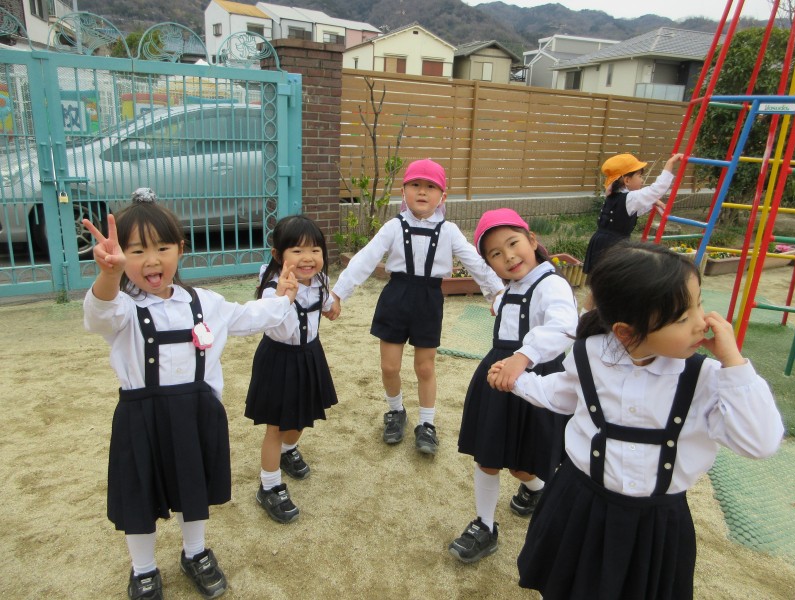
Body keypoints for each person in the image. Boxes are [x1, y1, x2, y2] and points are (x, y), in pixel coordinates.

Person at [491, 241, 784, 599]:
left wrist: (734, 365)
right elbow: (563, 393)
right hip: (580, 504)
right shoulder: (590, 354)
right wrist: (517, 381)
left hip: (655, 522)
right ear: (626, 332)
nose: (702, 323)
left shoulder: (706, 379)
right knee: (568, 588)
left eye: (699, 303)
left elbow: (760, 442)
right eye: (682, 318)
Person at [82, 189, 297, 600]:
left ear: (180, 249)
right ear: (121, 256)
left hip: (196, 414)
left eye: (162, 248)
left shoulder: (205, 303)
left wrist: (283, 296)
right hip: (140, 418)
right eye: (137, 251)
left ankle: (195, 552)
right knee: (139, 495)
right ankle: (143, 569)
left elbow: (249, 316)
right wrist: (108, 275)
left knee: (192, 488)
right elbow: (98, 314)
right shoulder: (124, 309)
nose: (151, 260)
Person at [331, 159, 504, 454]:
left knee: (425, 367)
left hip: (429, 300)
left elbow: (476, 263)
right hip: (395, 297)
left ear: (442, 196)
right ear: (403, 191)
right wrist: (338, 294)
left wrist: (498, 292)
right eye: (415, 185)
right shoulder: (393, 227)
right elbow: (365, 259)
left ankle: (426, 424)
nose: (422, 192)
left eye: (430, 187)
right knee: (389, 366)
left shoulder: (449, 231)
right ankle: (395, 411)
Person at [449, 208, 578, 564]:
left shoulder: (552, 284)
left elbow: (565, 325)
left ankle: (538, 490)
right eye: (495, 253)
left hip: (536, 382)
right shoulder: (510, 288)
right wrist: (499, 302)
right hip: (497, 380)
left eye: (513, 243)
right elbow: (502, 301)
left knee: (525, 463)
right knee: (488, 456)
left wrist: (524, 357)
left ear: (532, 240)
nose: (507, 256)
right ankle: (485, 525)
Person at [245, 215, 338, 524]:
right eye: (297, 250)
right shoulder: (272, 288)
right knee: (275, 425)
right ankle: (269, 487)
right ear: (278, 255)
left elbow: (328, 304)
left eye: (315, 250)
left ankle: (289, 450)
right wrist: (285, 297)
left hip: (310, 355)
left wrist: (332, 306)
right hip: (279, 359)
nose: (307, 258)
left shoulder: (320, 281)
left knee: (303, 414)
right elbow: (273, 323)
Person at [583, 152, 684, 276]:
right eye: (639, 176)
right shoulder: (629, 198)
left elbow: (633, 211)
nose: (642, 180)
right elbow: (656, 190)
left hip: (601, 242)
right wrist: (670, 164)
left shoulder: (616, 195)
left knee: (600, 279)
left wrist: (653, 202)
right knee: (612, 279)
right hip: (613, 246)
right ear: (627, 180)